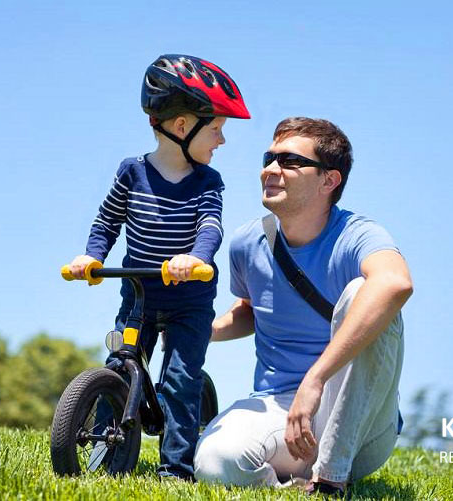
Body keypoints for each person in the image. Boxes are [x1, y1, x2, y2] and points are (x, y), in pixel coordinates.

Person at [194, 117, 413, 497]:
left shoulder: (357, 234)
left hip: (360, 422)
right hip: (280, 411)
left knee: (366, 291)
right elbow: (250, 309)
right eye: (269, 158)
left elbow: (396, 283)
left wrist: (315, 380)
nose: (269, 170)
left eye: (289, 161)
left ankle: (332, 477)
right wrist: (198, 330)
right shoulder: (248, 241)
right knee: (215, 462)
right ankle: (294, 489)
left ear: (329, 180)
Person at [66, 54, 250, 480]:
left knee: (181, 382)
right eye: (217, 129)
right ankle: (106, 455)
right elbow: (107, 220)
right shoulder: (132, 172)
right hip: (139, 295)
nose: (221, 141)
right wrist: (92, 257)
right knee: (119, 365)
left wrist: (196, 258)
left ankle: (176, 469)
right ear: (182, 127)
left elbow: (210, 226)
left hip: (189, 299)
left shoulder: (208, 182)